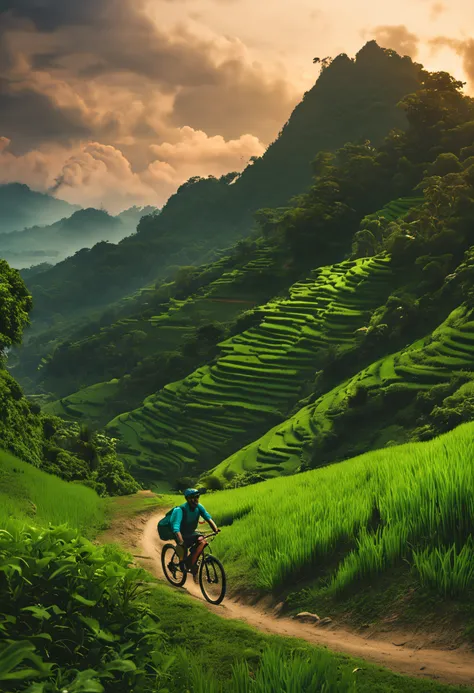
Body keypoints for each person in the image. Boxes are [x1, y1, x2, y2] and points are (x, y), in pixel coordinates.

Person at [171, 488, 219, 574]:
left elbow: (208, 518)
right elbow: (176, 527)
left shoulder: (199, 507)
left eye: (197, 497)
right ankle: (183, 563)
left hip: (191, 533)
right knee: (183, 550)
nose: (195, 500)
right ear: (187, 499)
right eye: (191, 497)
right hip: (180, 534)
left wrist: (215, 529)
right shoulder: (180, 510)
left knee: (202, 542)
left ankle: (191, 562)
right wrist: (181, 541)